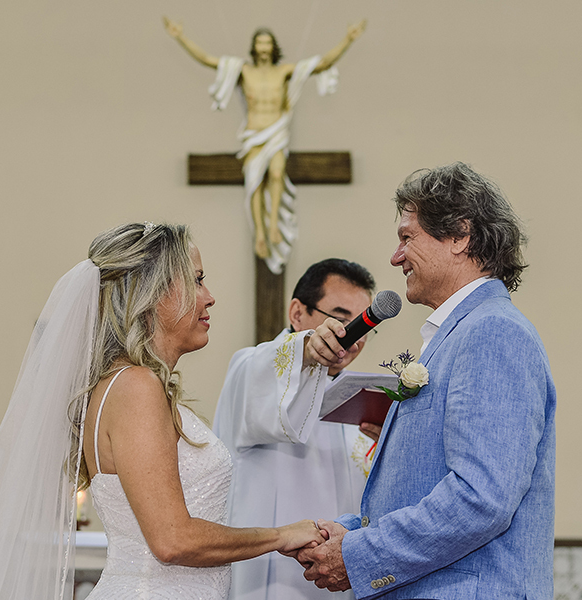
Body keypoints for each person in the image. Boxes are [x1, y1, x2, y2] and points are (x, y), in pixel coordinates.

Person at [0, 222, 325, 600]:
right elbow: (172, 540)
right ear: (153, 294)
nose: (209, 296)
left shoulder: (128, 384)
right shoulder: (135, 386)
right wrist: (279, 536)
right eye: (197, 280)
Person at [297, 163, 557, 599]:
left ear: (459, 235)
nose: (395, 257)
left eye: (406, 237)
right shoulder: (460, 335)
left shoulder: (493, 332)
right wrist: (343, 532)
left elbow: (481, 499)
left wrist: (359, 555)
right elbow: (425, 489)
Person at [213, 258, 378, 600]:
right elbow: (270, 367)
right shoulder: (250, 368)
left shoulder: (357, 392)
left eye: (365, 324)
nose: (355, 336)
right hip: (269, 576)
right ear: (297, 312)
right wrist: (307, 348)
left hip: (336, 575)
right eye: (341, 318)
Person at [163, 18, 366, 273]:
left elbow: (321, 64)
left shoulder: (283, 72)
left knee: (278, 172)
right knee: (255, 182)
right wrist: (180, 37)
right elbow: (206, 59)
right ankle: (260, 231)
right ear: (254, 46)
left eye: (267, 42)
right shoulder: (243, 71)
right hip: (254, 134)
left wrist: (348, 39)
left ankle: (272, 227)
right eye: (259, 42)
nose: (263, 46)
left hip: (277, 132)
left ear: (273, 47)